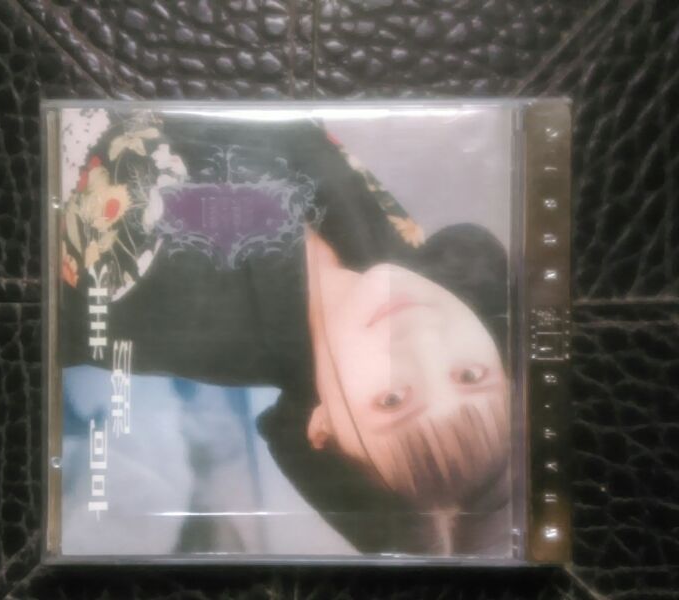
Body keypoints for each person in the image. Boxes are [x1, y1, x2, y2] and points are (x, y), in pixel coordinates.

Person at [59, 111, 512, 556]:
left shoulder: (171, 280)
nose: (422, 342)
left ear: (322, 426)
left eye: (393, 400)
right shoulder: (388, 261)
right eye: (469, 376)